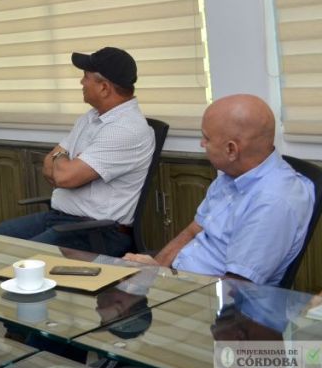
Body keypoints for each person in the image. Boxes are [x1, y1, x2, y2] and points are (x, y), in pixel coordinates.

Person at [124, 94, 313, 286]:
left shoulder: (272, 202)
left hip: (214, 302)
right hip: (180, 281)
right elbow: (192, 231)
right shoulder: (234, 174)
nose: (202, 144)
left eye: (206, 138)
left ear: (231, 150)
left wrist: (166, 283)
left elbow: (235, 288)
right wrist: (156, 269)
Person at [0, 47, 154, 256]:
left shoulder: (125, 129)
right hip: (60, 218)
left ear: (104, 88)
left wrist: (62, 160)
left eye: (85, 77)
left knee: (17, 262)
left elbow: (64, 177)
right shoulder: (91, 117)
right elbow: (50, 167)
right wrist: (63, 161)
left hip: (96, 232)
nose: (81, 83)